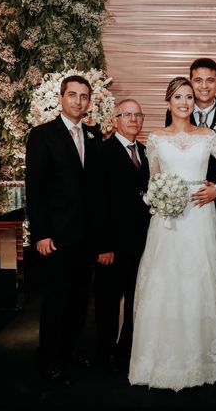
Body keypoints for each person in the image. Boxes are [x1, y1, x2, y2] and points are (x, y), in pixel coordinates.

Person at [130, 76, 216, 391]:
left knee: (198, 280)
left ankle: (201, 359)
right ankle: (159, 360)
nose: (184, 102)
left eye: (189, 97)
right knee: (165, 281)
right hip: (166, 220)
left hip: (200, 215)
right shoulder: (155, 138)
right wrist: (160, 197)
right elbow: (153, 181)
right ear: (168, 102)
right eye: (178, 97)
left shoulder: (206, 136)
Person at [165, 58, 216, 367]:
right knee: (187, 274)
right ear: (189, 81)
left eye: (209, 80)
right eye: (197, 80)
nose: (202, 86)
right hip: (183, 212)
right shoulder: (177, 110)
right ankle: (190, 341)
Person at [25, 75, 105, 386]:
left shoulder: (94, 136)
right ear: (61, 98)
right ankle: (48, 360)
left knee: (79, 299)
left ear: (89, 101)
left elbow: (95, 191)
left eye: (84, 96)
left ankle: (70, 349)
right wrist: (41, 234)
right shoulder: (43, 135)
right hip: (56, 237)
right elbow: (36, 189)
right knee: (56, 300)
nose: (78, 101)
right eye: (72, 95)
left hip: (85, 237)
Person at [94, 99, 150, 373]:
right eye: (127, 115)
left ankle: (126, 350)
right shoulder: (101, 152)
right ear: (115, 119)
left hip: (142, 244)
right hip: (112, 245)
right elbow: (97, 202)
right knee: (107, 301)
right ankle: (103, 353)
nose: (133, 120)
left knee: (136, 299)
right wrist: (104, 245)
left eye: (138, 115)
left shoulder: (146, 152)